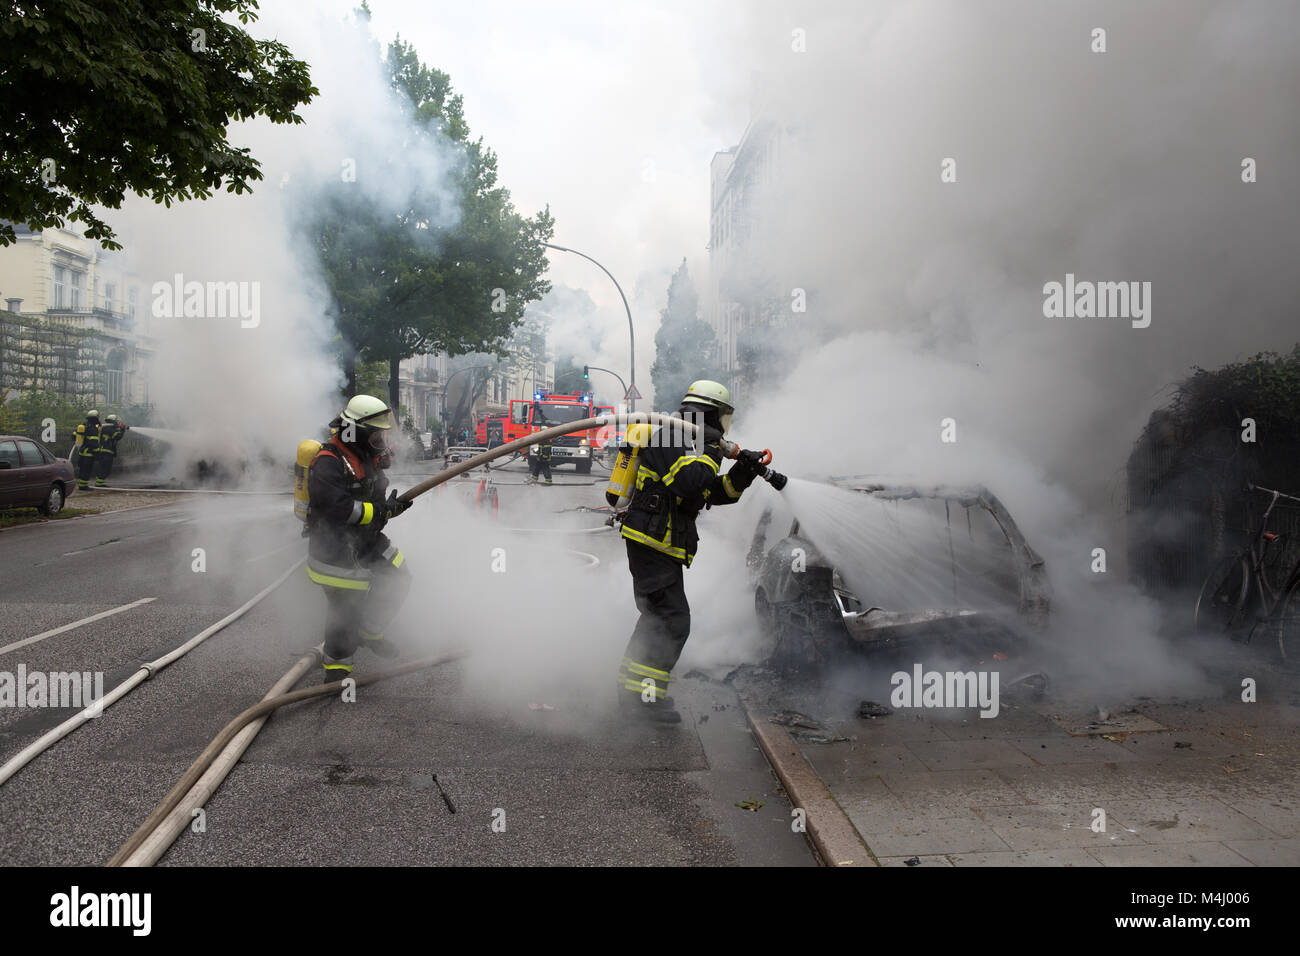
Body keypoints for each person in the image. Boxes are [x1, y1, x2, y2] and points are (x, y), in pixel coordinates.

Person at [615, 380, 765, 723]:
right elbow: (688, 482)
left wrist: (743, 473)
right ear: (710, 413)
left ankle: (635, 694)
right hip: (650, 542)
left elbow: (712, 492)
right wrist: (714, 449)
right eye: (721, 417)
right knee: (671, 620)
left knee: (660, 617)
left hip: (663, 544)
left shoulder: (691, 442)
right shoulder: (668, 436)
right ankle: (640, 702)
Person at [305, 395, 414, 682]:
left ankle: (369, 632)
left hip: (364, 539)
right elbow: (338, 508)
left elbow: (373, 499)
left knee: (398, 576)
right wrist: (379, 512)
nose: (382, 439)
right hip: (333, 549)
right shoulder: (328, 462)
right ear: (358, 431)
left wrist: (390, 509)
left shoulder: (366, 454)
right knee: (345, 606)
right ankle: (337, 667)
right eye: (377, 433)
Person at [92, 414, 128, 487]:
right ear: (114, 421)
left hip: (105, 451)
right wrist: (122, 430)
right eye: (117, 422)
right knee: (105, 468)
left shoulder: (107, 428)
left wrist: (120, 429)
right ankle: (99, 483)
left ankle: (100, 483)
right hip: (106, 452)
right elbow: (118, 437)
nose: (118, 423)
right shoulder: (109, 429)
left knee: (104, 468)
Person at [73, 410, 101, 490]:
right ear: (95, 418)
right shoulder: (93, 429)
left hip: (82, 451)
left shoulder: (84, 426)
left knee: (82, 469)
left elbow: (73, 436)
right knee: (87, 470)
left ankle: (81, 485)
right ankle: (83, 486)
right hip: (89, 453)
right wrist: (97, 453)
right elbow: (94, 443)